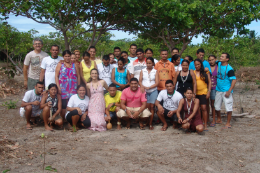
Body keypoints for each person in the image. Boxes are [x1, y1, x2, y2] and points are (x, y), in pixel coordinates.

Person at [55, 50, 80, 120]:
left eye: (69, 56)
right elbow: (56, 76)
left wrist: (78, 87)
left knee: (72, 104)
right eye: (65, 56)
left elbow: (78, 76)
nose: (67, 58)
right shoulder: (60, 64)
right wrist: (58, 87)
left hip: (73, 88)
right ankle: (63, 119)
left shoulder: (75, 65)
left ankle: (70, 120)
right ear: (63, 57)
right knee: (63, 105)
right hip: (63, 88)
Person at [215, 53, 236, 129]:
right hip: (218, 89)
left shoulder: (230, 69)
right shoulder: (218, 63)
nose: (221, 57)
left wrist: (229, 91)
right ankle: (219, 119)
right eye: (220, 56)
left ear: (227, 59)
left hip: (226, 90)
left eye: (222, 57)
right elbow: (212, 61)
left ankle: (228, 123)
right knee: (217, 106)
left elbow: (234, 80)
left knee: (228, 107)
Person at [139, 57, 159, 130]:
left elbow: (157, 82)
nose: (148, 64)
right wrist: (143, 87)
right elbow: (140, 81)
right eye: (147, 63)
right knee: (146, 107)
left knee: (152, 107)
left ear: (153, 63)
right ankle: (147, 121)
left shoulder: (155, 71)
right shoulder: (142, 71)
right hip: (144, 91)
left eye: (150, 63)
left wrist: (149, 87)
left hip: (153, 91)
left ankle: (150, 123)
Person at [194, 59, 211, 131]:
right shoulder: (193, 72)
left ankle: (205, 123)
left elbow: (209, 82)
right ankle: (199, 122)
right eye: (195, 64)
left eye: (198, 64)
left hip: (203, 92)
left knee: (204, 108)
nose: (197, 66)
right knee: (197, 109)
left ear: (201, 64)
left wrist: (209, 92)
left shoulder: (205, 72)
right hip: (195, 93)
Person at [208, 55, 218, 127]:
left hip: (215, 88)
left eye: (212, 59)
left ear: (215, 59)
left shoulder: (218, 67)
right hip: (207, 88)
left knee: (213, 104)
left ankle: (214, 119)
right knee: (206, 104)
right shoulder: (206, 67)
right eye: (210, 60)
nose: (211, 61)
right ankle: (207, 118)